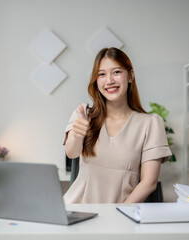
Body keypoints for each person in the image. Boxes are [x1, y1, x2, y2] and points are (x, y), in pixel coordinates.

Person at [63, 47, 172, 203]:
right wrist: (77, 134)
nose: (109, 81)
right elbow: (71, 153)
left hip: (122, 214)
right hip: (78, 211)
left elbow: (149, 182)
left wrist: (119, 214)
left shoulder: (150, 123)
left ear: (130, 76)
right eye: (102, 74)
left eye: (116, 72)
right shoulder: (84, 114)